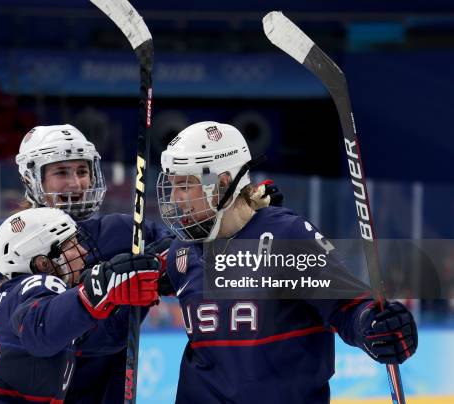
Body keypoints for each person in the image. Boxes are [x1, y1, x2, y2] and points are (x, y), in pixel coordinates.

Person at [0, 124, 282, 402]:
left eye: (82, 170)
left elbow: (194, 257)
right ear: (32, 178)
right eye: (61, 172)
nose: (77, 182)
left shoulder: (123, 230)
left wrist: (237, 214)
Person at [156, 121, 418, 403]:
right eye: (172, 186)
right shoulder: (179, 253)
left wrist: (374, 325)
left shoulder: (286, 238)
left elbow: (347, 308)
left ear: (221, 182)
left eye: (185, 185)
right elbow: (137, 274)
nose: (175, 198)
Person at [0, 207, 160, 403]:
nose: (83, 251)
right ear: (43, 263)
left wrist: (127, 298)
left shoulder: (8, 295)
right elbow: (40, 330)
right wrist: (96, 290)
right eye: (71, 245)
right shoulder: (41, 283)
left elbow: (97, 338)